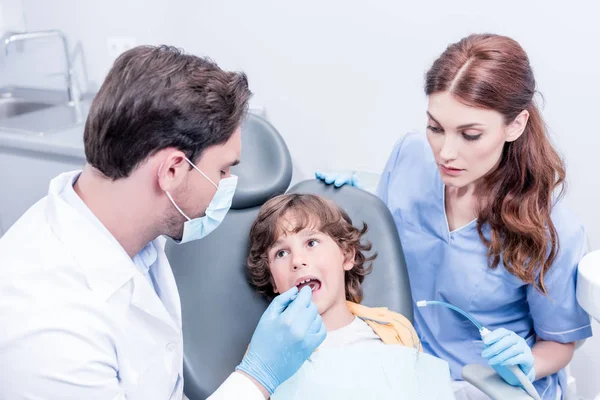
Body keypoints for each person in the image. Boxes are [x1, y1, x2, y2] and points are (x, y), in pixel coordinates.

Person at [0, 45, 325, 400]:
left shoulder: (132, 228)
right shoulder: (49, 332)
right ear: (171, 170)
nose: (228, 184)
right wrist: (258, 378)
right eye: (222, 170)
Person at [316, 33, 592, 400]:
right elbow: (379, 250)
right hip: (402, 362)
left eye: (470, 134)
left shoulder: (551, 229)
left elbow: (558, 344)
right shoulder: (410, 158)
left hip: (483, 382)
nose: (445, 152)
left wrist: (528, 361)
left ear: (516, 125)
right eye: (435, 128)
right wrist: (345, 202)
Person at [244, 193, 455, 399]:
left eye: (311, 243)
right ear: (272, 279)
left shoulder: (395, 330)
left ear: (346, 255)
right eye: (281, 253)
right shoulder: (267, 352)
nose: (297, 260)